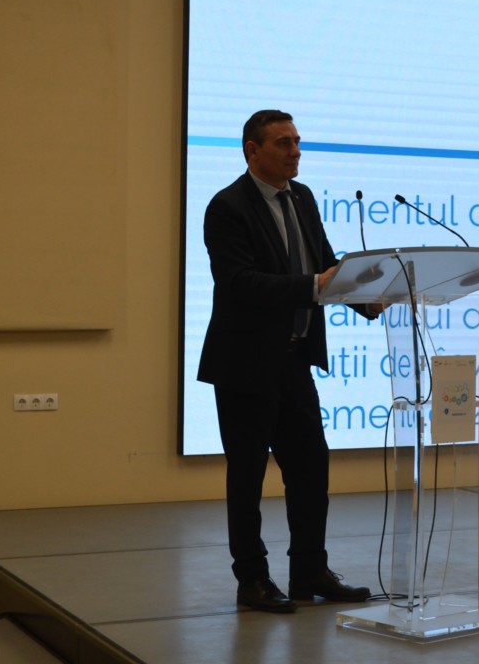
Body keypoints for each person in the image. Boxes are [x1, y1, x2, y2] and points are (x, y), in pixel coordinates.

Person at [198, 109, 380, 613]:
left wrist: (366, 298)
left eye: (298, 141)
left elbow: (325, 265)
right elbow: (240, 283)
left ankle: (309, 571)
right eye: (283, 143)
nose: (295, 151)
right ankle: (252, 580)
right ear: (252, 150)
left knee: (310, 471)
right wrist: (314, 285)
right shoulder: (227, 207)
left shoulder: (302, 197)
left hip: (295, 361)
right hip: (245, 365)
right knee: (247, 478)